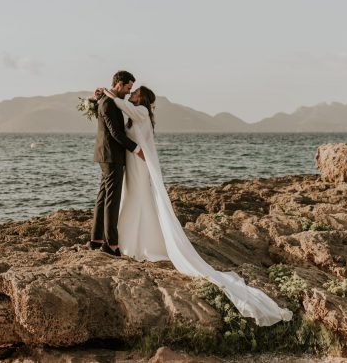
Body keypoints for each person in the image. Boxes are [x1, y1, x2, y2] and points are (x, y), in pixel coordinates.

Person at [95, 85, 293, 327]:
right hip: (133, 162)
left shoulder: (141, 112)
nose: (132, 93)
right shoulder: (136, 112)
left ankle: (134, 242)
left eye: (136, 92)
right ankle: (129, 241)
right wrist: (104, 98)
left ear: (142, 98)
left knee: (137, 199)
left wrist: (109, 93)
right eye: (131, 90)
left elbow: (121, 106)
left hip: (138, 163)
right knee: (134, 198)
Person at [89, 70, 144, 257]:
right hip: (111, 156)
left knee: (103, 196)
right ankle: (111, 244)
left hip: (106, 155)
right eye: (128, 87)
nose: (129, 92)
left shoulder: (105, 101)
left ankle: (96, 239)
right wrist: (137, 149)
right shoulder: (109, 103)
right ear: (118, 84)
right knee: (112, 200)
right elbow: (115, 133)